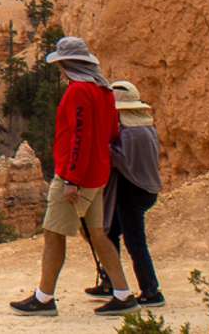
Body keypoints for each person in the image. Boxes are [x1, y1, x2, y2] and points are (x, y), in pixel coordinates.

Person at [10, 35, 139, 317]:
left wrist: (71, 179)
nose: (60, 70)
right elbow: (111, 134)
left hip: (76, 176)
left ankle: (44, 298)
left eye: (61, 64)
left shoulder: (78, 92)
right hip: (98, 174)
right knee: (98, 235)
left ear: (68, 64)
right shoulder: (105, 92)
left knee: (53, 233)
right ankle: (123, 294)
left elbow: (79, 137)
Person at [83, 81, 164, 308]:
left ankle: (150, 290)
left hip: (131, 189)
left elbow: (119, 159)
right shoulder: (148, 128)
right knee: (111, 232)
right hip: (144, 188)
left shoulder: (129, 133)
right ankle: (110, 281)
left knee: (134, 240)